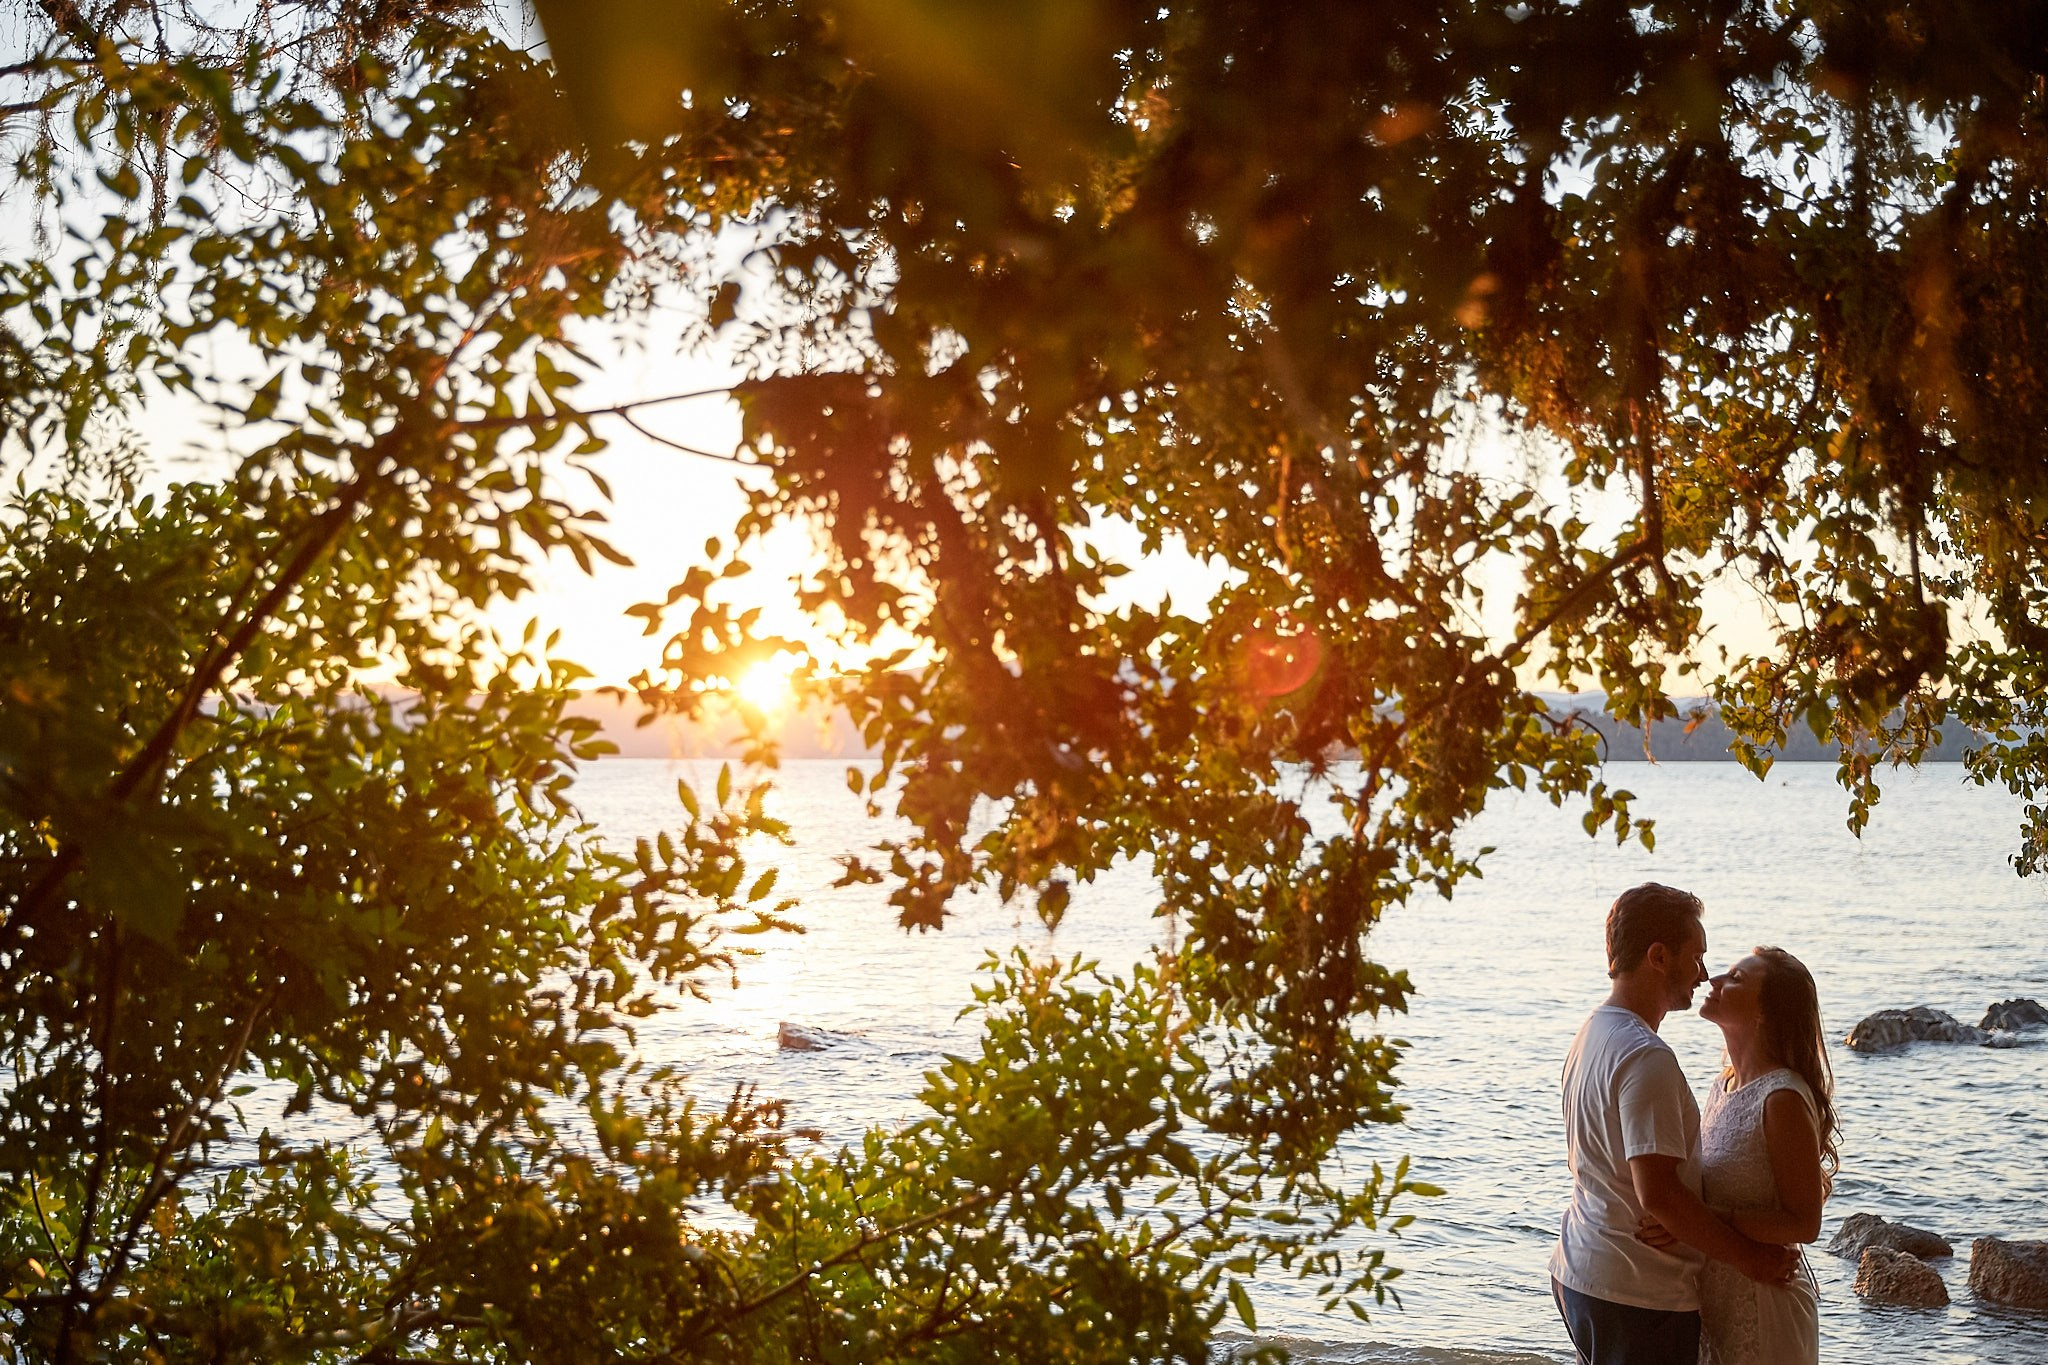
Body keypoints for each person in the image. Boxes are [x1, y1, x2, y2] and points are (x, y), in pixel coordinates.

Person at [1550, 883, 1797, 1365]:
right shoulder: (1647, 1057)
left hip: (1581, 1268)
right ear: (1659, 956)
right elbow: (1659, 1194)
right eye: (1697, 955)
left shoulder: (1593, 1031)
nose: (1704, 974)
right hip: (1637, 1292)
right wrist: (1752, 1259)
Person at [1639, 946, 1839, 1365]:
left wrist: (1696, 1221)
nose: (1713, 981)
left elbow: (1804, 1223)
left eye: (1736, 978)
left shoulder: (1781, 1097)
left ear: (1767, 1011)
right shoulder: (1722, 1087)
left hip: (1766, 1300)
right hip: (1719, 1298)